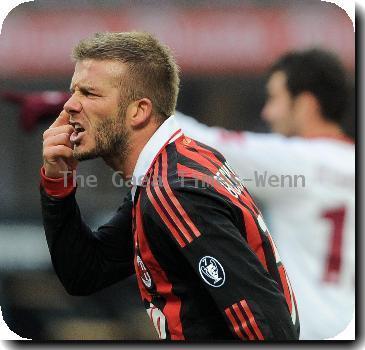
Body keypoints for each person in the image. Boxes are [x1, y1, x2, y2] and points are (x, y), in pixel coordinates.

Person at [40, 32, 299, 341]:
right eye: (73, 92)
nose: (69, 105)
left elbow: (268, 330)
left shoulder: (173, 191)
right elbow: (86, 272)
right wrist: (57, 183)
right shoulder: (168, 169)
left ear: (139, 111)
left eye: (89, 93)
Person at [174, 49, 355, 340]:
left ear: (306, 104)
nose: (266, 112)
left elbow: (200, 142)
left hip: (309, 331)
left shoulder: (296, 161)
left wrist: (131, 97)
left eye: (274, 99)